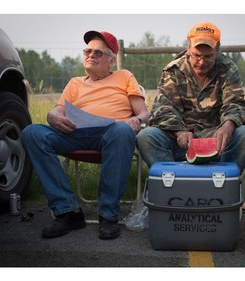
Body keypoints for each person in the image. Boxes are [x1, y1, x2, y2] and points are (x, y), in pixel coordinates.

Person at [21, 30, 149, 240]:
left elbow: (143, 112)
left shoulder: (124, 76)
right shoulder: (75, 83)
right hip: (74, 133)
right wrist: (52, 115)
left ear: (111, 60)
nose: (91, 55)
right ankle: (68, 211)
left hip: (112, 134)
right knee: (31, 133)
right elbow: (58, 111)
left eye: (98, 52)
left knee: (122, 130)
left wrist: (137, 120)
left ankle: (108, 215)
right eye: (88, 51)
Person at [137, 22, 245, 175]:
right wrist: (179, 131)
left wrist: (228, 126)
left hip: (217, 138)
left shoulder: (228, 69)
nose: (201, 62)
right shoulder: (173, 71)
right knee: (146, 137)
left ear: (217, 51)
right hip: (179, 138)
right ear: (188, 49)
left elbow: (236, 103)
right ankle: (173, 183)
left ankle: (222, 183)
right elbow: (163, 109)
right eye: (197, 56)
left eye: (208, 57)